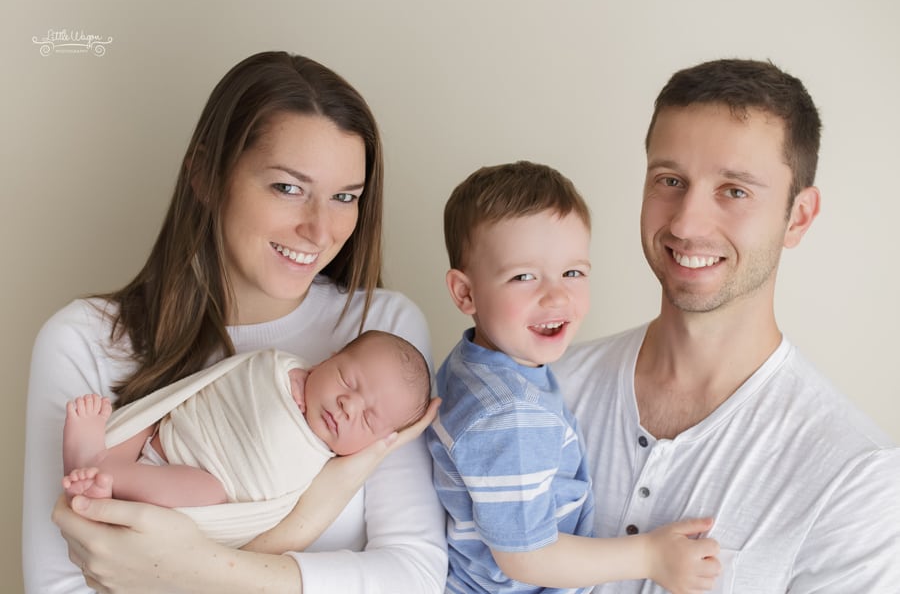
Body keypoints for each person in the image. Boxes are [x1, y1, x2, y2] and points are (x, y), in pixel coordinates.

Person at [23, 51, 445, 594]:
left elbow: (415, 576)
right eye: (288, 188)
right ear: (205, 174)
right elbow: (60, 586)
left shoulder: (382, 331)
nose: (320, 230)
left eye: (345, 197)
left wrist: (197, 572)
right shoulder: (82, 340)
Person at [554, 58, 900, 592]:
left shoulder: (853, 475)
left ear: (798, 216)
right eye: (670, 181)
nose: (686, 223)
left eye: (734, 190)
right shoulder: (546, 387)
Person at [427, 161, 720, 594]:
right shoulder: (511, 414)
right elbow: (526, 555)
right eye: (523, 276)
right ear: (465, 293)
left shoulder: (478, 365)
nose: (557, 295)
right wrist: (650, 556)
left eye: (573, 273)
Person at [61, 330, 431, 550]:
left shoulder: (330, 463)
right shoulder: (276, 369)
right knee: (150, 419)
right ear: (328, 359)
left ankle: (99, 479)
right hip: (167, 436)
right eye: (347, 381)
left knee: (208, 492)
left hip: (186, 486)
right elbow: (216, 390)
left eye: (368, 418)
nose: (348, 406)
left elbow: (274, 507)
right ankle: (97, 461)